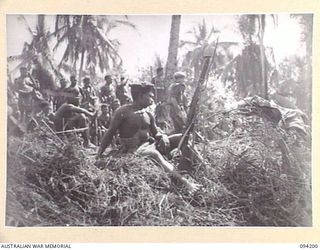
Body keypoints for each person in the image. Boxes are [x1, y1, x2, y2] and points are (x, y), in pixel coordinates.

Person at [97, 82, 201, 193]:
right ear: (140, 96)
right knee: (154, 154)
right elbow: (110, 133)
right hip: (134, 151)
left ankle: (201, 166)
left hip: (150, 145)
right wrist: (99, 153)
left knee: (182, 137)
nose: (152, 99)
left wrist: (162, 136)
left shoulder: (148, 113)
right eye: (149, 96)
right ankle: (185, 182)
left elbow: (155, 132)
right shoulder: (123, 112)